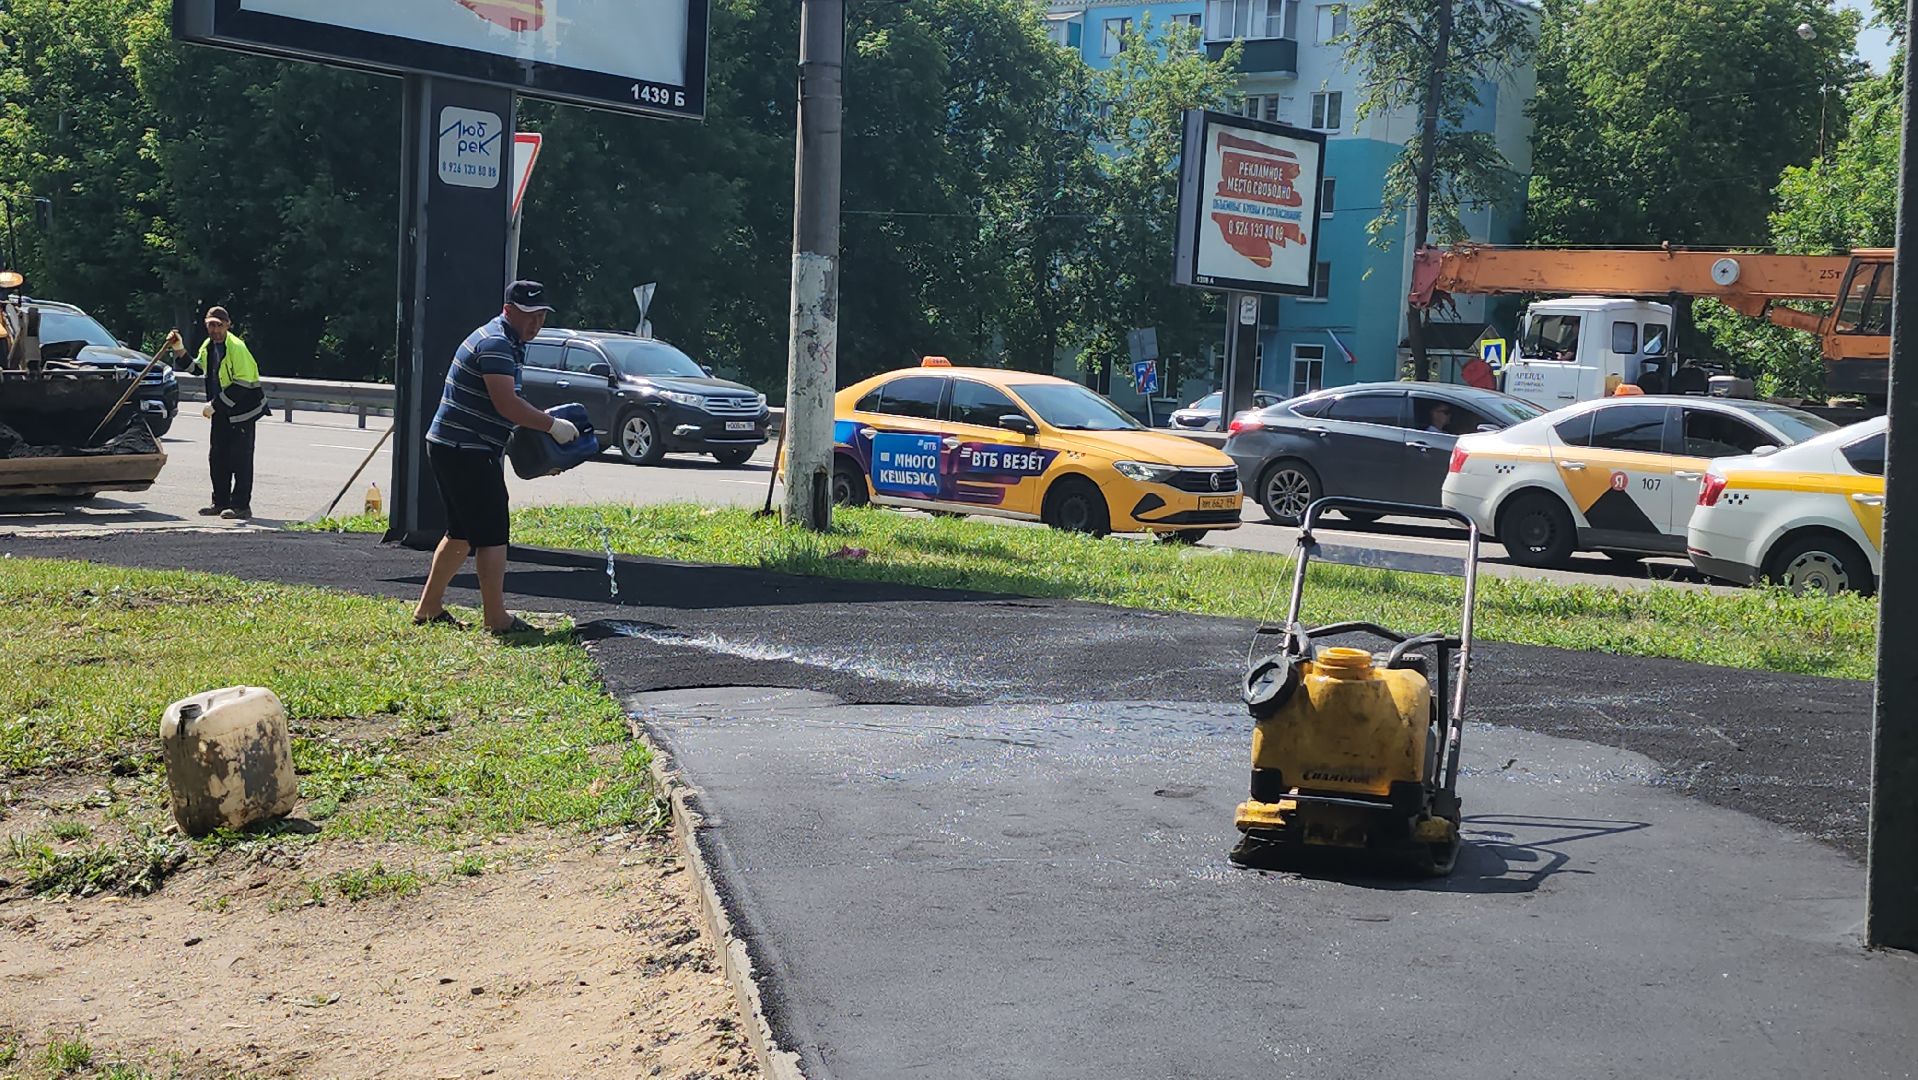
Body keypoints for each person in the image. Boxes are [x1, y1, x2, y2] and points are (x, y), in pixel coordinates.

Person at [412, 280, 579, 634]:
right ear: (509, 310)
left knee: (461, 532)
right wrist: (553, 427)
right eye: (530, 315)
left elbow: (503, 412)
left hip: (456, 446)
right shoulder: (497, 344)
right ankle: (497, 619)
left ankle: (429, 608)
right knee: (493, 534)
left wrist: (542, 454)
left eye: (542, 316)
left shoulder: (511, 342)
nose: (537, 323)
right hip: (464, 449)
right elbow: (508, 405)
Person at [182, 306, 265, 519]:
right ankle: (220, 502)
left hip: (243, 411)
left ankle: (241, 507)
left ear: (228, 325)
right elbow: (198, 369)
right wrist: (179, 350)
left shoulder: (236, 347)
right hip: (222, 411)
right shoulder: (209, 345)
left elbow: (243, 383)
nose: (215, 329)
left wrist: (215, 405)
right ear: (206, 325)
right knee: (217, 458)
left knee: (240, 460)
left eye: (219, 325)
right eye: (211, 325)